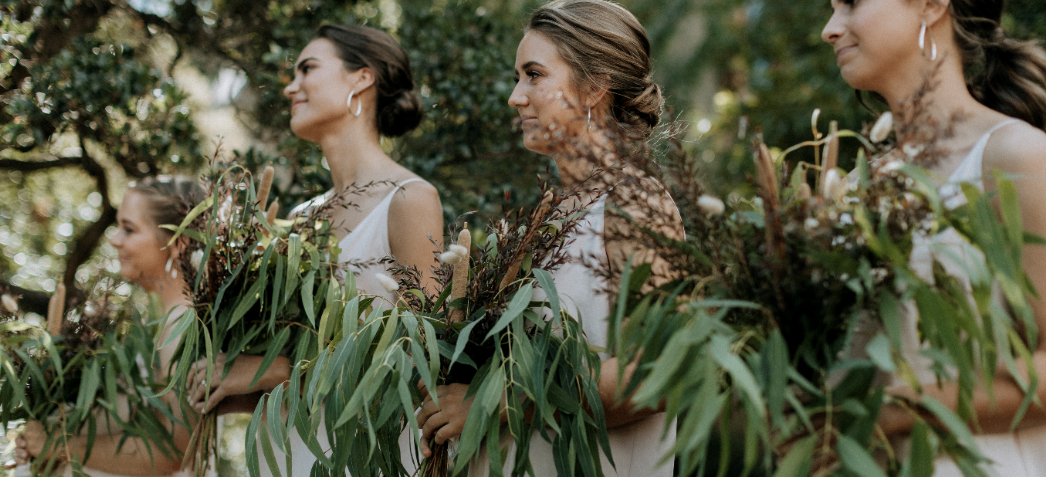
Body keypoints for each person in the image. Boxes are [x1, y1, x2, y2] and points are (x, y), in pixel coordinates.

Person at [413, 1, 683, 475]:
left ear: (593, 87)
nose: (516, 97)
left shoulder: (634, 201)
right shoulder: (543, 218)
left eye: (534, 75)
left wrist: (494, 400)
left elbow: (659, 374)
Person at [183, 23, 444, 477]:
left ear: (361, 78)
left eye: (307, 69)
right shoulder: (302, 217)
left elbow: (424, 360)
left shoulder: (409, 199)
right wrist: (231, 388)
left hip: (368, 459)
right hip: (288, 456)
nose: (290, 86)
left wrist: (270, 369)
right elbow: (301, 373)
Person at [822, 0, 1046, 474]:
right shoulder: (856, 185)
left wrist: (895, 411)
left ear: (929, 5)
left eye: (851, 4)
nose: (830, 29)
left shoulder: (1017, 158)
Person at [14, 176, 207, 476]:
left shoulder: (182, 323)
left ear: (177, 241)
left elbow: (174, 451)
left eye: (129, 229)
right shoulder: (159, 317)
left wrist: (59, 445)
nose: (115, 240)